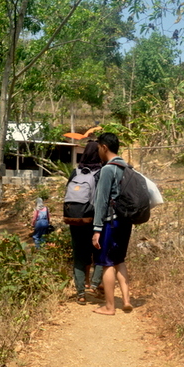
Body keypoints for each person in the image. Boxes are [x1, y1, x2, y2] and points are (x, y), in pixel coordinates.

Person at [92, 132, 134, 315]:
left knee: (106, 263)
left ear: (104, 147)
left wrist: (97, 228)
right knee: (120, 260)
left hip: (111, 222)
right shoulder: (128, 167)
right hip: (126, 221)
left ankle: (110, 306)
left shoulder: (108, 169)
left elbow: (101, 201)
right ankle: (126, 300)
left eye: (98, 148)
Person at [67, 141, 104, 305]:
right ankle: (95, 284)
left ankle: (80, 293)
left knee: (79, 257)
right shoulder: (101, 173)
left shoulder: (75, 172)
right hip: (93, 219)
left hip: (74, 219)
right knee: (100, 253)